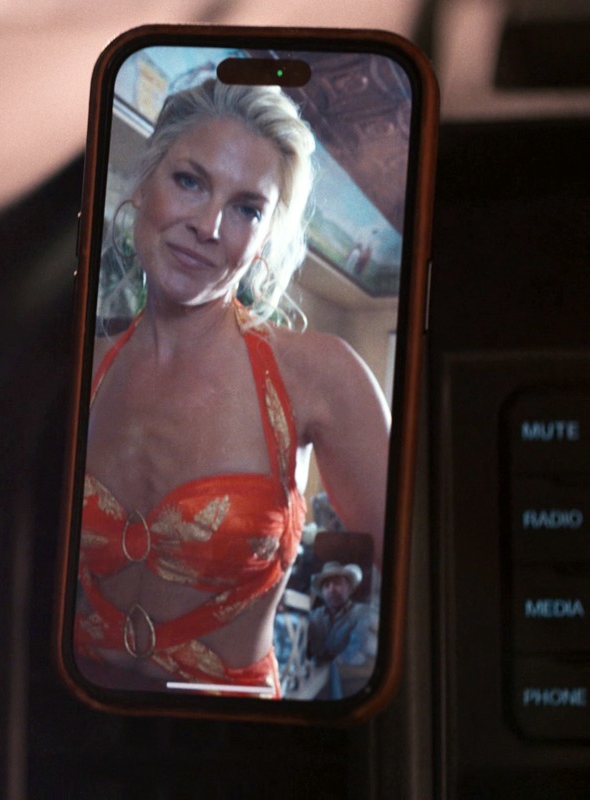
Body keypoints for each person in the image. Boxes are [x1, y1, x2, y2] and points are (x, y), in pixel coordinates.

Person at [74, 78, 390, 697]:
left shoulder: (321, 374)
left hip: (230, 737)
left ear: (266, 238)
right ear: (144, 184)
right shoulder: (82, 367)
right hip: (76, 717)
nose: (209, 225)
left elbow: (426, 573)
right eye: (190, 181)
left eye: (247, 208)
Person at [307, 562, 378, 698]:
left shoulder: (363, 613)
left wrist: (324, 666)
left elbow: (355, 652)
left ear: (349, 589)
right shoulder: (314, 616)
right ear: (322, 592)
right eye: (326, 586)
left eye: (337, 584)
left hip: (350, 687)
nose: (332, 589)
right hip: (317, 683)